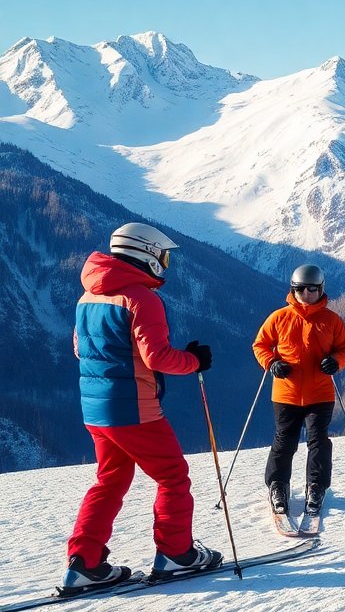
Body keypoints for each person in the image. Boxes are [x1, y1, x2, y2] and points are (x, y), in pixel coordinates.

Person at [63, 222, 222, 595]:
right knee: (173, 476)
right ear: (146, 253)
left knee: (110, 480)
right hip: (133, 410)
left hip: (96, 411)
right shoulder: (140, 298)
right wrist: (194, 361)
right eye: (162, 256)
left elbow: (79, 349)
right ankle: (176, 553)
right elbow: (157, 357)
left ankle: (84, 564)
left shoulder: (88, 296)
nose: (164, 264)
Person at [252, 264, 345, 517]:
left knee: (318, 440)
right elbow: (260, 345)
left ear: (321, 289)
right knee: (284, 439)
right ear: (293, 289)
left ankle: (316, 486)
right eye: (300, 289)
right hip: (286, 393)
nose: (306, 294)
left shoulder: (332, 320)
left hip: (320, 393)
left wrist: (336, 361)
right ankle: (277, 485)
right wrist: (272, 363)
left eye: (312, 289)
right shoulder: (279, 318)